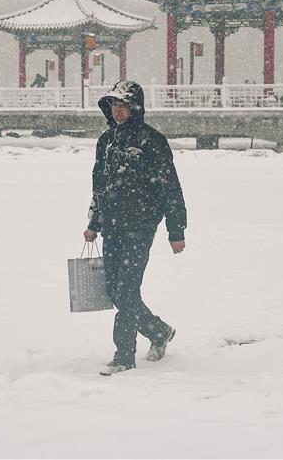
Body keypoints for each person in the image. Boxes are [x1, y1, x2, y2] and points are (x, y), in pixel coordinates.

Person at [83, 80, 187, 376]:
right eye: (114, 106)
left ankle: (124, 355)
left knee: (127, 291)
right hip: (113, 227)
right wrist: (94, 223)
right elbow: (99, 186)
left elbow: (171, 188)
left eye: (123, 106)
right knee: (115, 291)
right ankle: (158, 331)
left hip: (141, 226)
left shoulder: (152, 141)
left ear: (135, 108)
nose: (118, 112)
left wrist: (176, 230)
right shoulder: (106, 141)